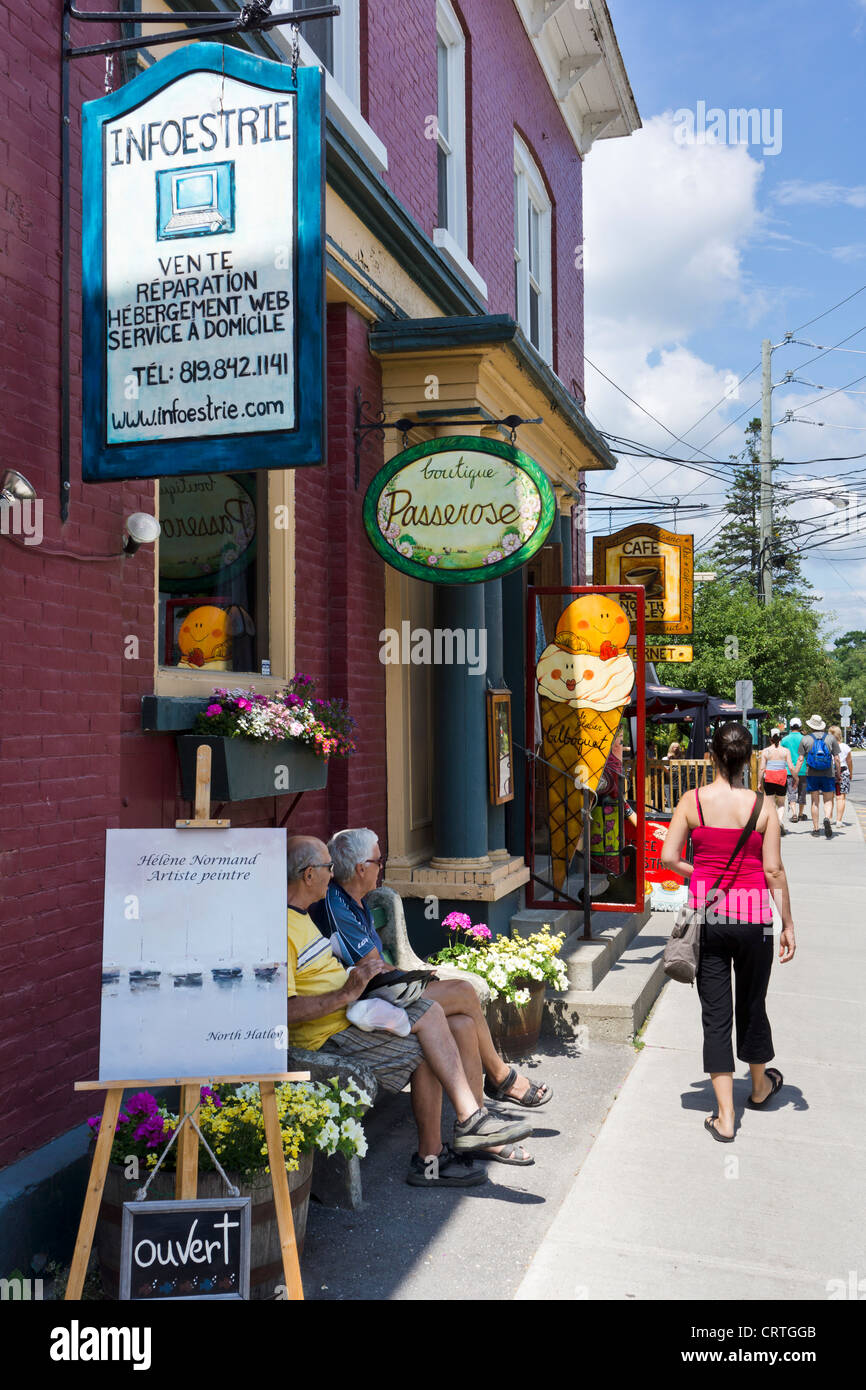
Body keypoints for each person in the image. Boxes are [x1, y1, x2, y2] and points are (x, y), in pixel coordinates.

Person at [284, 835, 533, 1186]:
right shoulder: (281, 928)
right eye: (328, 868)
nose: (333, 873)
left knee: (456, 1023)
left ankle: (459, 1141)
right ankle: (462, 1129)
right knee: (433, 1028)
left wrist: (352, 987)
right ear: (309, 875)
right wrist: (346, 993)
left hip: (350, 1019)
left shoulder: (303, 917)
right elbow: (283, 1010)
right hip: (326, 1039)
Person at [660, 723, 796, 1142]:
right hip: (755, 921)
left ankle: (725, 1117)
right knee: (753, 1005)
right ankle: (759, 1087)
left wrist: (701, 875)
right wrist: (788, 922)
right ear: (748, 759)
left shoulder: (691, 802)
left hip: (711, 920)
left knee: (716, 1016)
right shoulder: (763, 806)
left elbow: (668, 857)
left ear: (713, 757)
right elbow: (773, 869)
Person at [793, 715, 841, 839]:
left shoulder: (806, 739)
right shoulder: (831, 739)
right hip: (828, 774)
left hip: (812, 774)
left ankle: (815, 829)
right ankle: (827, 818)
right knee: (828, 800)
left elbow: (800, 759)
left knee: (815, 801)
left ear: (810, 726)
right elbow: (837, 759)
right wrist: (838, 774)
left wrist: (795, 775)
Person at [758, 728, 797, 834]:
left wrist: (759, 782)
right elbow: (791, 767)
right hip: (781, 779)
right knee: (781, 803)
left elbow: (762, 768)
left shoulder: (765, 751)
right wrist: (796, 779)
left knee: (770, 804)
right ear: (780, 739)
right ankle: (779, 821)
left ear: (770, 739)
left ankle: (772, 826)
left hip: (769, 778)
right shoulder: (785, 751)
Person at [781, 717, 806, 823]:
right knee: (802, 792)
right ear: (800, 727)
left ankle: (794, 813)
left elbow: (781, 754)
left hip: (789, 770)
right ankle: (801, 814)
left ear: (790, 727)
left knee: (791, 791)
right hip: (803, 769)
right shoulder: (804, 739)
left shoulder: (785, 740)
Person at [828, 725, 853, 827]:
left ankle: (829, 818)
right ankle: (839, 820)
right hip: (843, 772)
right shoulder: (846, 747)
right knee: (841, 797)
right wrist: (850, 773)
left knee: (829, 797)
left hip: (829, 773)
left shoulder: (827, 746)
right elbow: (849, 762)